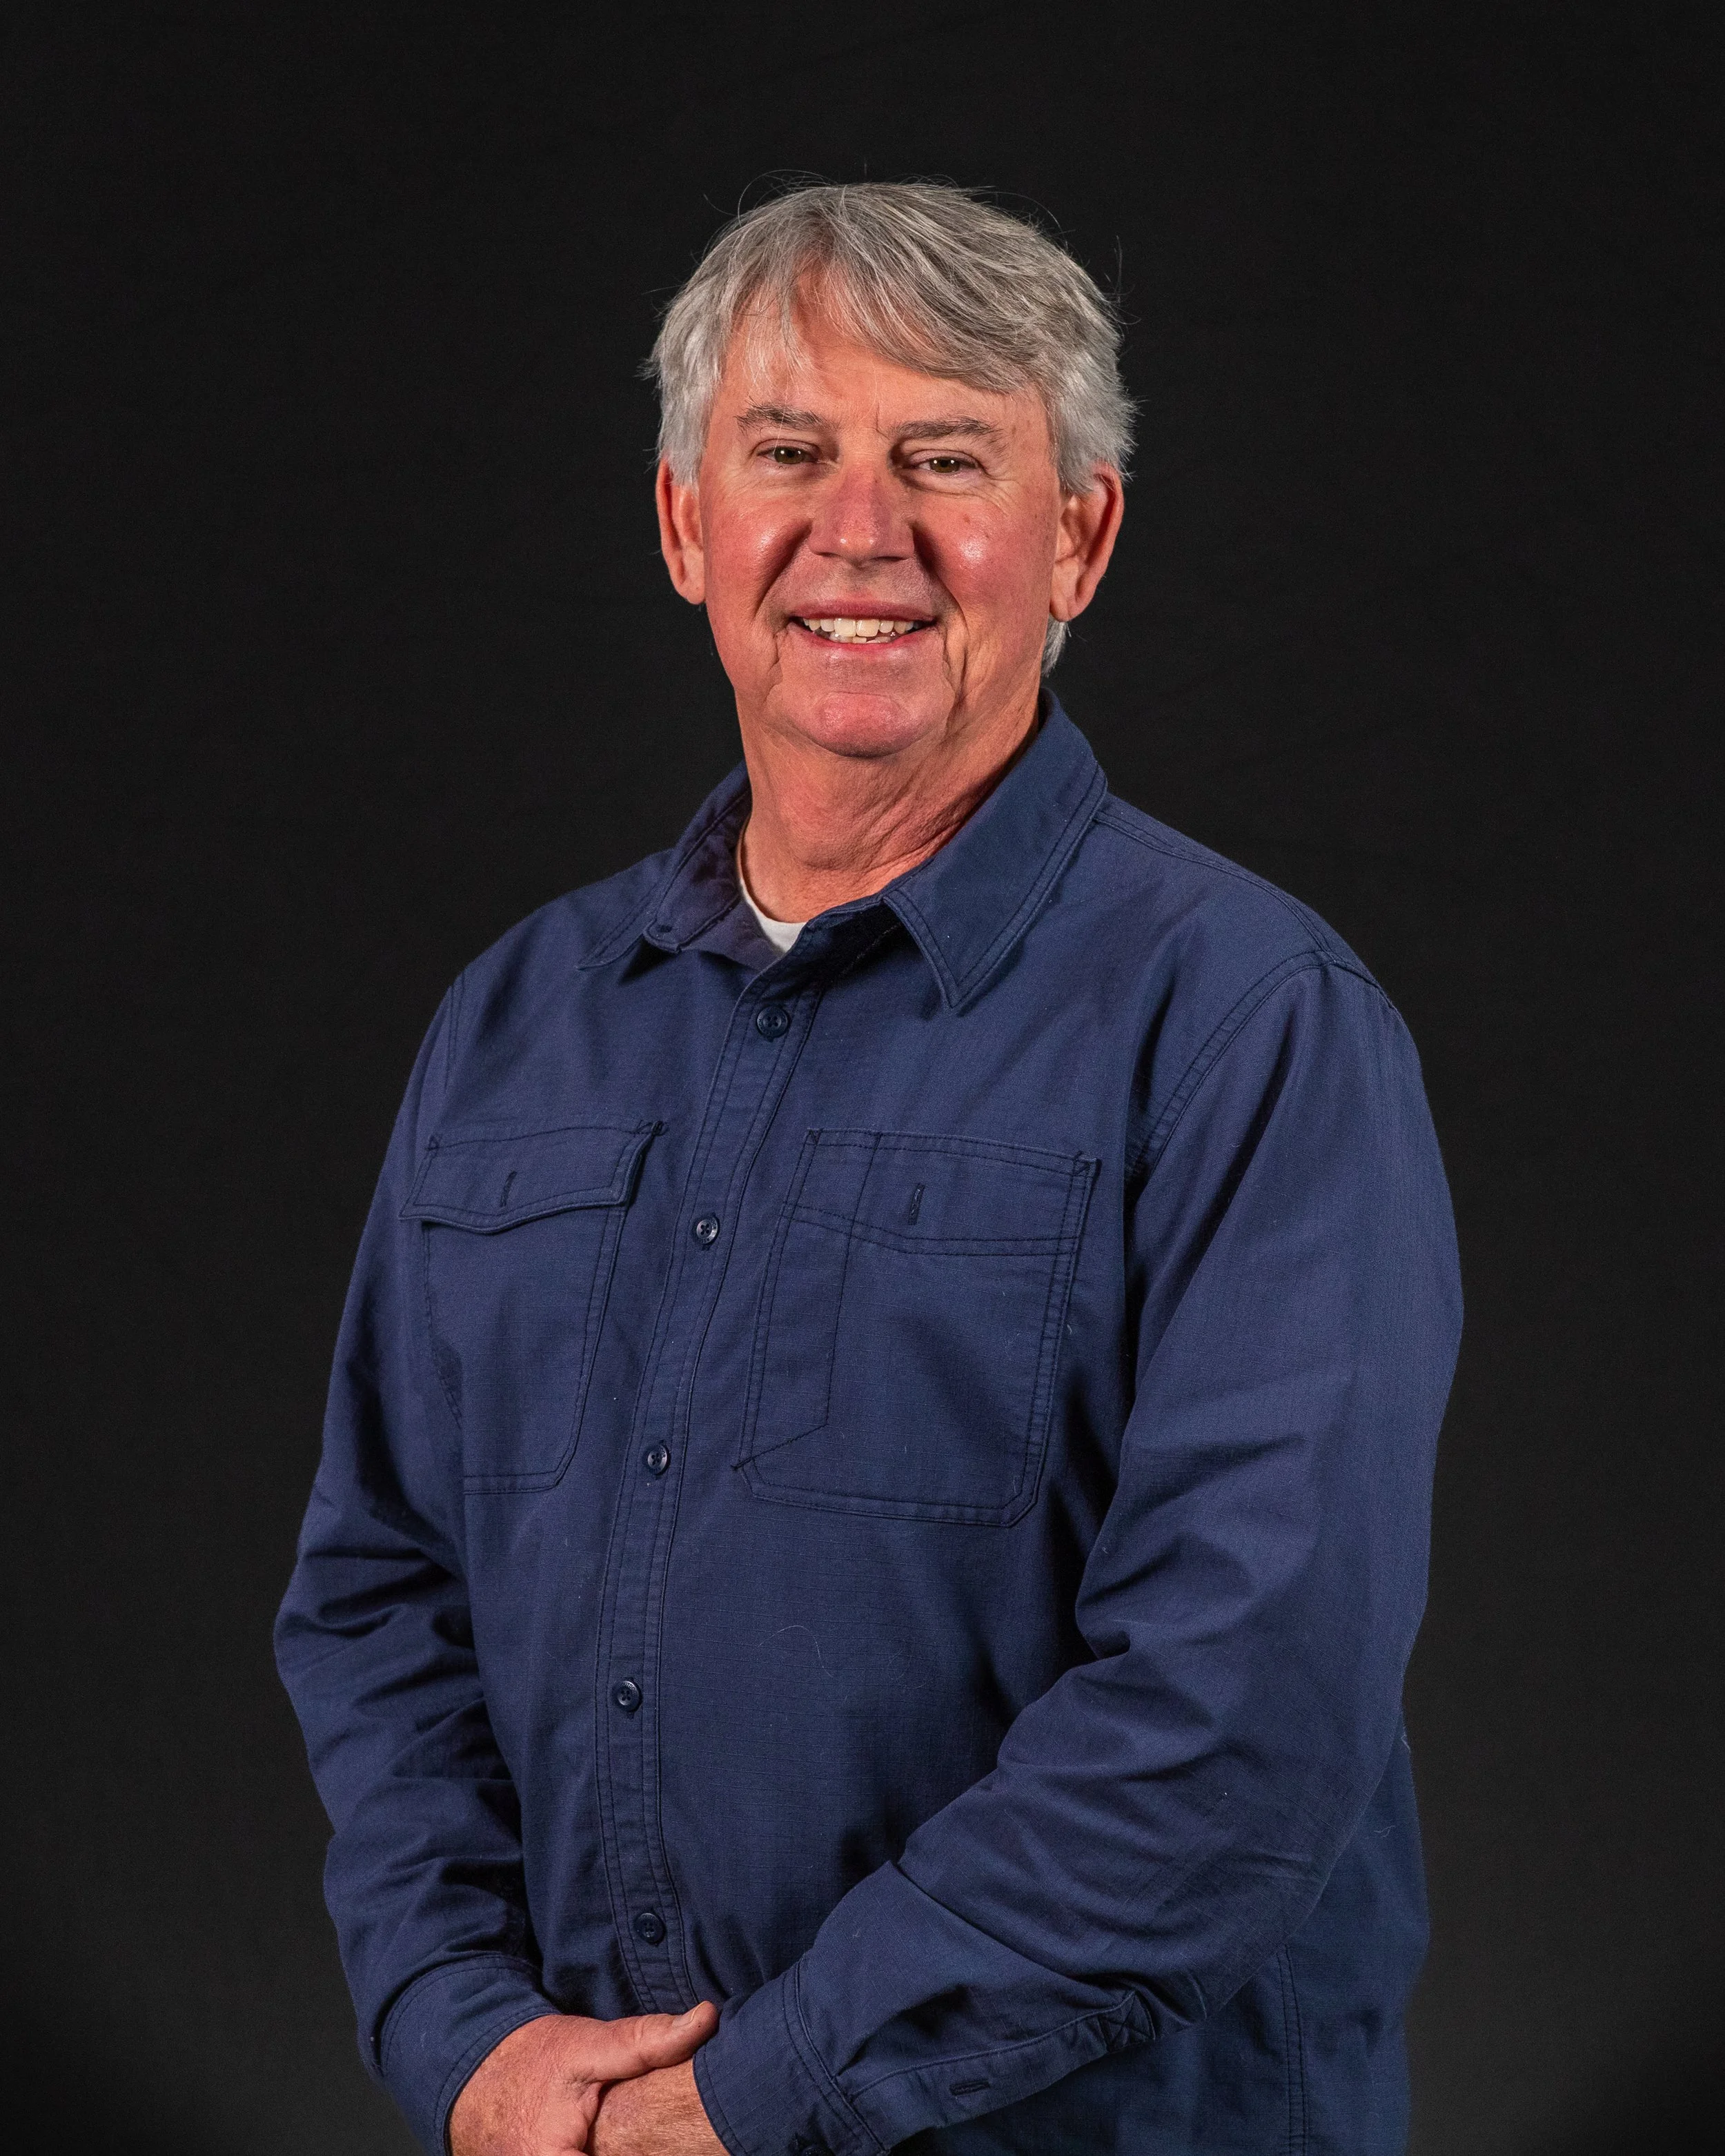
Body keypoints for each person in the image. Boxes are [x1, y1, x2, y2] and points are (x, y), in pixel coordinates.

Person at [276, 181, 1461, 2156]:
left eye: (944, 458)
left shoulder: (1251, 1025)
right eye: (789, 451)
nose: (860, 530)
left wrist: (757, 2093)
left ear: (1074, 535)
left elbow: (1238, 1719)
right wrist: (462, 2030)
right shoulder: (515, 1025)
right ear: (685, 527)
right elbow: (377, 1593)